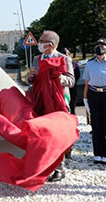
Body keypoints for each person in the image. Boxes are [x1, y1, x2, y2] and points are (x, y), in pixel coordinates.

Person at [27, 30, 75, 182]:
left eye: (42, 41)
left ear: (51, 44)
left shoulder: (64, 59)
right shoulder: (36, 59)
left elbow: (71, 81)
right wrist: (31, 77)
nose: (39, 43)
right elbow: (32, 81)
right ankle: (44, 166)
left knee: (56, 136)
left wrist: (59, 78)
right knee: (42, 136)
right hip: (40, 101)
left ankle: (59, 169)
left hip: (57, 103)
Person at [64, 48, 81, 115]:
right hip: (63, 88)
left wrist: (72, 82)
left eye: (66, 54)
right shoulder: (59, 64)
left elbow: (77, 75)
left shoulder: (74, 65)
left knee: (72, 105)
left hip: (72, 87)